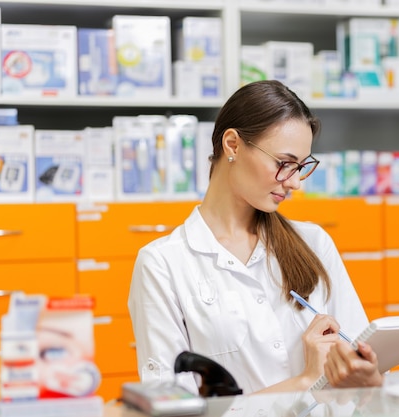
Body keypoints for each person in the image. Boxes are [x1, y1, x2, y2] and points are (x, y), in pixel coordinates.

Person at [128, 80, 384, 395]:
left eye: (300, 167)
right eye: (283, 164)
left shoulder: (314, 243)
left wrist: (368, 377)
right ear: (233, 145)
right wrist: (305, 381)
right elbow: (173, 409)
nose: (295, 184)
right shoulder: (163, 263)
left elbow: (360, 363)